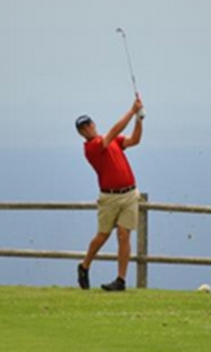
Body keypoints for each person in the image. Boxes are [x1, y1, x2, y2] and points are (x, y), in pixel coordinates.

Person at [75, 96, 144, 292]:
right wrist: (132, 110)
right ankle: (84, 265)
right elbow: (115, 131)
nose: (88, 128)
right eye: (83, 128)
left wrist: (139, 118)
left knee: (124, 235)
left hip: (130, 194)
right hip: (109, 197)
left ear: (93, 124)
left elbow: (135, 140)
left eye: (89, 124)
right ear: (81, 133)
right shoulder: (92, 148)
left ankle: (120, 281)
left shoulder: (111, 141)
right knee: (103, 235)